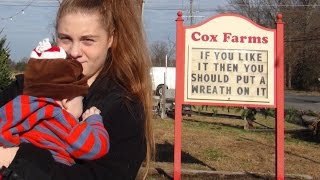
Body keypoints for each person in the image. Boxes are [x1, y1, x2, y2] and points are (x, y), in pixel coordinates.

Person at [0, 0, 155, 179]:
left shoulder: (123, 108)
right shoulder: (27, 86)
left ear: (111, 39)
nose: (74, 52)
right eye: (65, 38)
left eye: (87, 40)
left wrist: (16, 158)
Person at [0, 39, 109, 166]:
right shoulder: (61, 120)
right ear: (66, 101)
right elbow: (95, 148)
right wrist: (94, 120)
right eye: (81, 99)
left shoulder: (19, 105)